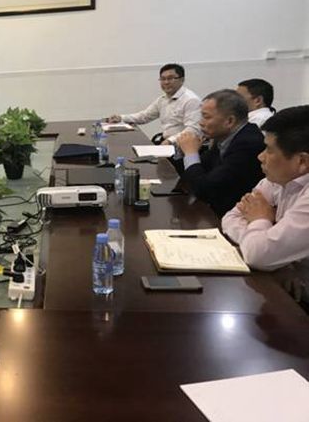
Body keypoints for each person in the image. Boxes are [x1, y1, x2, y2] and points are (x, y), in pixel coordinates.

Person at [222, 106, 309, 305]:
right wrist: (280, 259)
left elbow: (257, 255)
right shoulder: (276, 179)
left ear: (302, 161)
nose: (260, 157)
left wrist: (260, 221)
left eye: (269, 150)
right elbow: (231, 218)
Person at [177, 89, 265, 217]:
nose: (201, 122)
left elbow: (205, 189)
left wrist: (191, 153)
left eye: (206, 117)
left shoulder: (248, 144)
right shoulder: (224, 137)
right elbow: (190, 174)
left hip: (237, 216)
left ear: (229, 121)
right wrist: (187, 151)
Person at [107, 63, 201, 145]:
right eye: (163, 79)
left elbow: (193, 130)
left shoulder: (191, 100)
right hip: (166, 143)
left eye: (170, 78)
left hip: (183, 146)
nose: (166, 82)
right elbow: (144, 116)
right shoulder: (162, 100)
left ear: (182, 80)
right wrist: (121, 118)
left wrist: (170, 141)